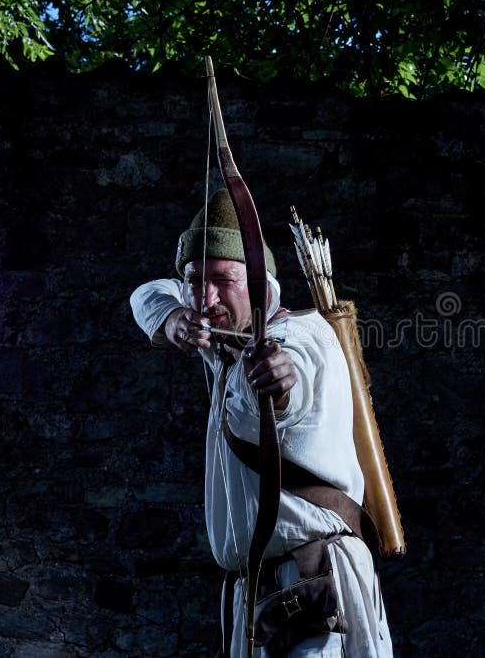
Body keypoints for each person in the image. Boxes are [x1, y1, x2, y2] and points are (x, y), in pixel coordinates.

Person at [130, 189, 392, 657]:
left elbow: (288, 381)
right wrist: (171, 317)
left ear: (261, 287)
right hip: (260, 594)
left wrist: (279, 379)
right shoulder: (222, 345)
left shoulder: (303, 336)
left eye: (224, 280)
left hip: (314, 585)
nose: (204, 296)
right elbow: (148, 292)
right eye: (194, 279)